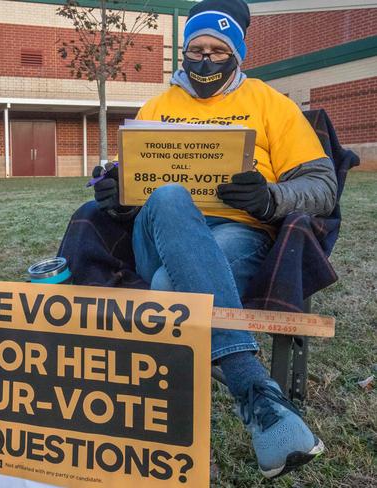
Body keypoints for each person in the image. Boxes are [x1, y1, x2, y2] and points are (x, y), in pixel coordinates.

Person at [92, 0, 336, 479]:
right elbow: (130, 179)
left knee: (167, 288)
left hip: (239, 231)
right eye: (196, 49)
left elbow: (323, 187)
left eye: (218, 50)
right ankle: (254, 388)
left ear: (238, 54)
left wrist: (270, 197)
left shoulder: (270, 103)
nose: (205, 59)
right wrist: (118, 194)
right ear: (184, 53)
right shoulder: (158, 106)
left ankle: (185, 413)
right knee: (168, 195)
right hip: (157, 226)